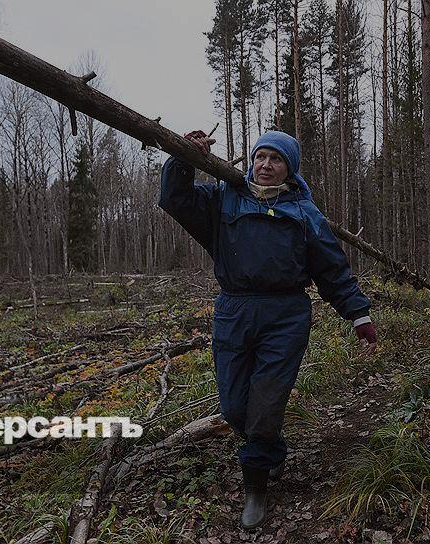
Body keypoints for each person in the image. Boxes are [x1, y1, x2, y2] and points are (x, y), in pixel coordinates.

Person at [157, 129, 378, 529]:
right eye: (260, 157)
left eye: (275, 159)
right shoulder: (225, 199)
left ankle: (256, 487)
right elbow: (175, 199)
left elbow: (331, 269)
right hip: (233, 311)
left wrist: (358, 314)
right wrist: (184, 157)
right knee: (233, 406)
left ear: (288, 168)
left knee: (266, 402)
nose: (265, 165)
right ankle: (270, 450)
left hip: (285, 316)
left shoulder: (305, 213)